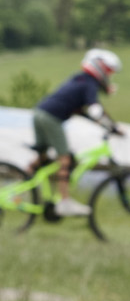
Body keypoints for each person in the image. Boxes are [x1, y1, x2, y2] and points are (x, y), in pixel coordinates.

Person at [32, 47, 121, 217]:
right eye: (109, 72)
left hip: (39, 114)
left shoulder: (80, 80)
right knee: (64, 158)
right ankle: (64, 202)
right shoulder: (89, 83)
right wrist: (112, 127)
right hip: (51, 118)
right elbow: (95, 111)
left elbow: (84, 112)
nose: (109, 77)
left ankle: (23, 177)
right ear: (100, 68)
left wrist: (107, 125)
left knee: (42, 158)